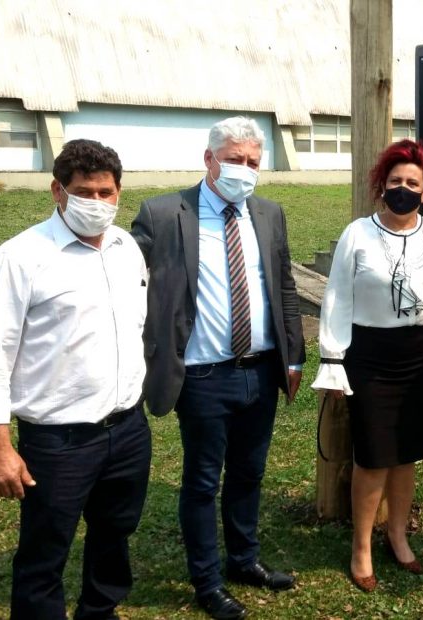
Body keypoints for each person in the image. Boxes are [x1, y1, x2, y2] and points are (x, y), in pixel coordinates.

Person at [0, 139, 151, 620]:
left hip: (127, 429)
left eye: (106, 192)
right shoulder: (19, 258)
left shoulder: (126, 247)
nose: (97, 202)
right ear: (57, 191)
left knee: (115, 536)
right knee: (45, 551)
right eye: (84, 191)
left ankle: (99, 611)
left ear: (119, 191)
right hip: (58, 441)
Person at [130, 117, 304, 620]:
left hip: (260, 370)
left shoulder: (268, 214)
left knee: (250, 473)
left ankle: (244, 559)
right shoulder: (164, 214)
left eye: (253, 162)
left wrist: (293, 354)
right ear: (209, 159)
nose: (244, 170)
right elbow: (124, 283)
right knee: (203, 481)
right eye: (234, 159)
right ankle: (206, 581)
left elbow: (284, 287)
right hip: (202, 375)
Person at [312, 139, 423, 593]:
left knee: (409, 453)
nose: (403, 189)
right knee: (373, 455)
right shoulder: (356, 234)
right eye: (395, 181)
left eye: (413, 183)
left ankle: (398, 535)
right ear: (381, 187)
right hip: (371, 356)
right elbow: (336, 300)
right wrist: (332, 360)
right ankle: (361, 546)